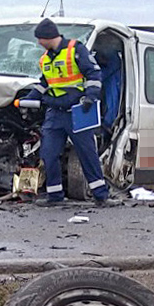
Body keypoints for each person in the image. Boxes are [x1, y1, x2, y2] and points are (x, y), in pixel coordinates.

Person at [23, 18, 113, 207]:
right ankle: (55, 196)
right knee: (48, 154)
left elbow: (94, 74)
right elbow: (44, 83)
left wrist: (90, 97)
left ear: (48, 37)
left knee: (87, 153)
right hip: (55, 113)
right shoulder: (45, 59)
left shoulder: (76, 50)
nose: (38, 43)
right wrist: (30, 98)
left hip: (79, 110)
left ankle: (101, 196)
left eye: (40, 39)